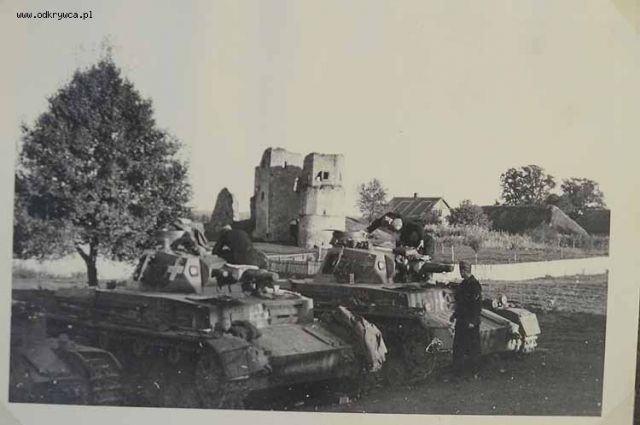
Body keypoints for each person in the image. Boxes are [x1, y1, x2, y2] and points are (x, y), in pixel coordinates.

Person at [450, 260, 483, 380]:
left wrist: (472, 321)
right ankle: (457, 373)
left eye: (461, 270)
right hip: (461, 320)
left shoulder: (474, 285)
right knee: (458, 348)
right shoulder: (463, 284)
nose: (460, 272)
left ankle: (475, 372)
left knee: (473, 348)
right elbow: (461, 303)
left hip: (470, 322)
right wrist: (454, 315)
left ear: (464, 271)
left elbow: (476, 305)